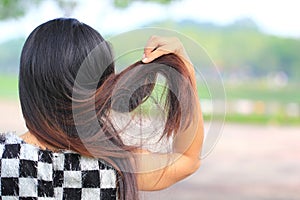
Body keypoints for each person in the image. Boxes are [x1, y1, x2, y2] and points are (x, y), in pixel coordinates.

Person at [0, 18, 204, 199]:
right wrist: (184, 69)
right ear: (103, 87)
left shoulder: (5, 159)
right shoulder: (117, 167)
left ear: (28, 86)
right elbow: (187, 159)